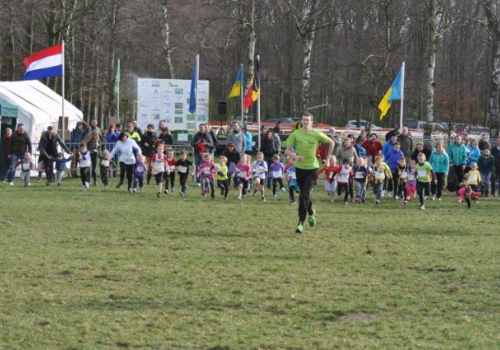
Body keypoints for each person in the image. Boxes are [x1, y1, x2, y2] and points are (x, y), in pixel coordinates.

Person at [285, 112, 335, 234]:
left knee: (303, 195)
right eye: (304, 120)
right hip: (299, 168)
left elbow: (331, 143)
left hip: (313, 169)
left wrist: (327, 160)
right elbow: (287, 150)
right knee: (304, 194)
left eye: (308, 120)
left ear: (312, 122)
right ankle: (311, 212)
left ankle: (300, 223)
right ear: (301, 121)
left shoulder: (316, 134)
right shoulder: (295, 134)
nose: (306, 122)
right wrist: (295, 156)